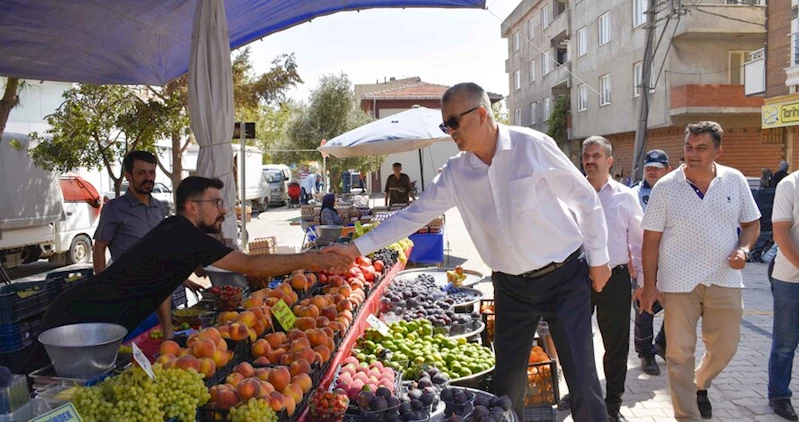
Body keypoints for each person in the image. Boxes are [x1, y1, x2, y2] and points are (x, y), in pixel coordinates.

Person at [326, 82, 611, 420]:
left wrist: (600, 259)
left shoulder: (531, 146)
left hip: (564, 277)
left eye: (453, 123)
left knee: (582, 381)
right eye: (444, 125)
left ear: (480, 114)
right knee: (506, 384)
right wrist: (356, 248)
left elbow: (585, 199)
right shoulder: (456, 173)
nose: (449, 132)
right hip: (512, 287)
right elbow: (413, 215)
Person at [23, 176, 352, 373]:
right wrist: (311, 259)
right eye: (216, 202)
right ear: (192, 206)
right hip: (78, 322)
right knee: (32, 388)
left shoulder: (176, 232)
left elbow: (164, 278)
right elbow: (251, 265)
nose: (223, 209)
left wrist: (167, 329)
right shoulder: (186, 236)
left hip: (94, 321)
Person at [640, 121, 761, 420]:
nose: (692, 154)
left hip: (725, 278)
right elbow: (650, 239)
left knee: (726, 347)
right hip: (678, 282)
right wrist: (650, 285)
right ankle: (687, 415)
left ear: (718, 151)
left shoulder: (735, 180)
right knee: (678, 354)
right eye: (688, 148)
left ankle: (700, 382)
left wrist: (744, 250)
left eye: (701, 148)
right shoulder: (666, 187)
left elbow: (751, 224)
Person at [92, 151, 192, 340]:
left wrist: (181, 277)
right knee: (134, 346)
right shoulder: (114, 209)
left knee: (161, 343)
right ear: (128, 176)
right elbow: (99, 247)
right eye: (142, 173)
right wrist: (102, 285)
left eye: (152, 173)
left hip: (161, 293)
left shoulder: (159, 207)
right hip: (130, 294)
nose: (148, 178)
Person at [582, 136, 644, 422]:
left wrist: (642, 280)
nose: (590, 160)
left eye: (596, 156)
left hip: (616, 279)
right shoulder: (572, 193)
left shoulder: (625, 196)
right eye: (586, 156)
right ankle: (581, 394)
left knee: (616, 345)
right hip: (577, 279)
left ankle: (613, 403)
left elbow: (638, 241)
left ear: (609, 161)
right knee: (576, 342)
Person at [630, 149, 671, 376]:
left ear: (668, 169)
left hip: (674, 260)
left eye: (657, 168)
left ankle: (663, 343)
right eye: (649, 168)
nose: (652, 172)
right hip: (644, 258)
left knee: (675, 306)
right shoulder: (633, 194)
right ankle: (646, 353)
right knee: (645, 307)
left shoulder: (678, 193)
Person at [766, 170, 799, 420]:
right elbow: (780, 233)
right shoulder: (790, 184)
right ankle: (779, 395)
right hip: (790, 279)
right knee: (785, 343)